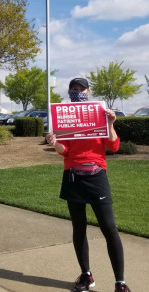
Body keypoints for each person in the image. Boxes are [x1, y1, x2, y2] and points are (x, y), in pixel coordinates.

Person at [47, 78, 131, 292]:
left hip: (96, 176)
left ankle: (120, 283)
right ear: (69, 93)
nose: (78, 92)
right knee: (79, 228)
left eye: (81, 89)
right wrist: (55, 142)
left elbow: (113, 146)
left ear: (89, 92)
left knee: (110, 229)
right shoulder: (65, 118)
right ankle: (86, 275)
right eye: (74, 89)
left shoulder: (100, 114)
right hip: (73, 177)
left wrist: (110, 124)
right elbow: (64, 151)